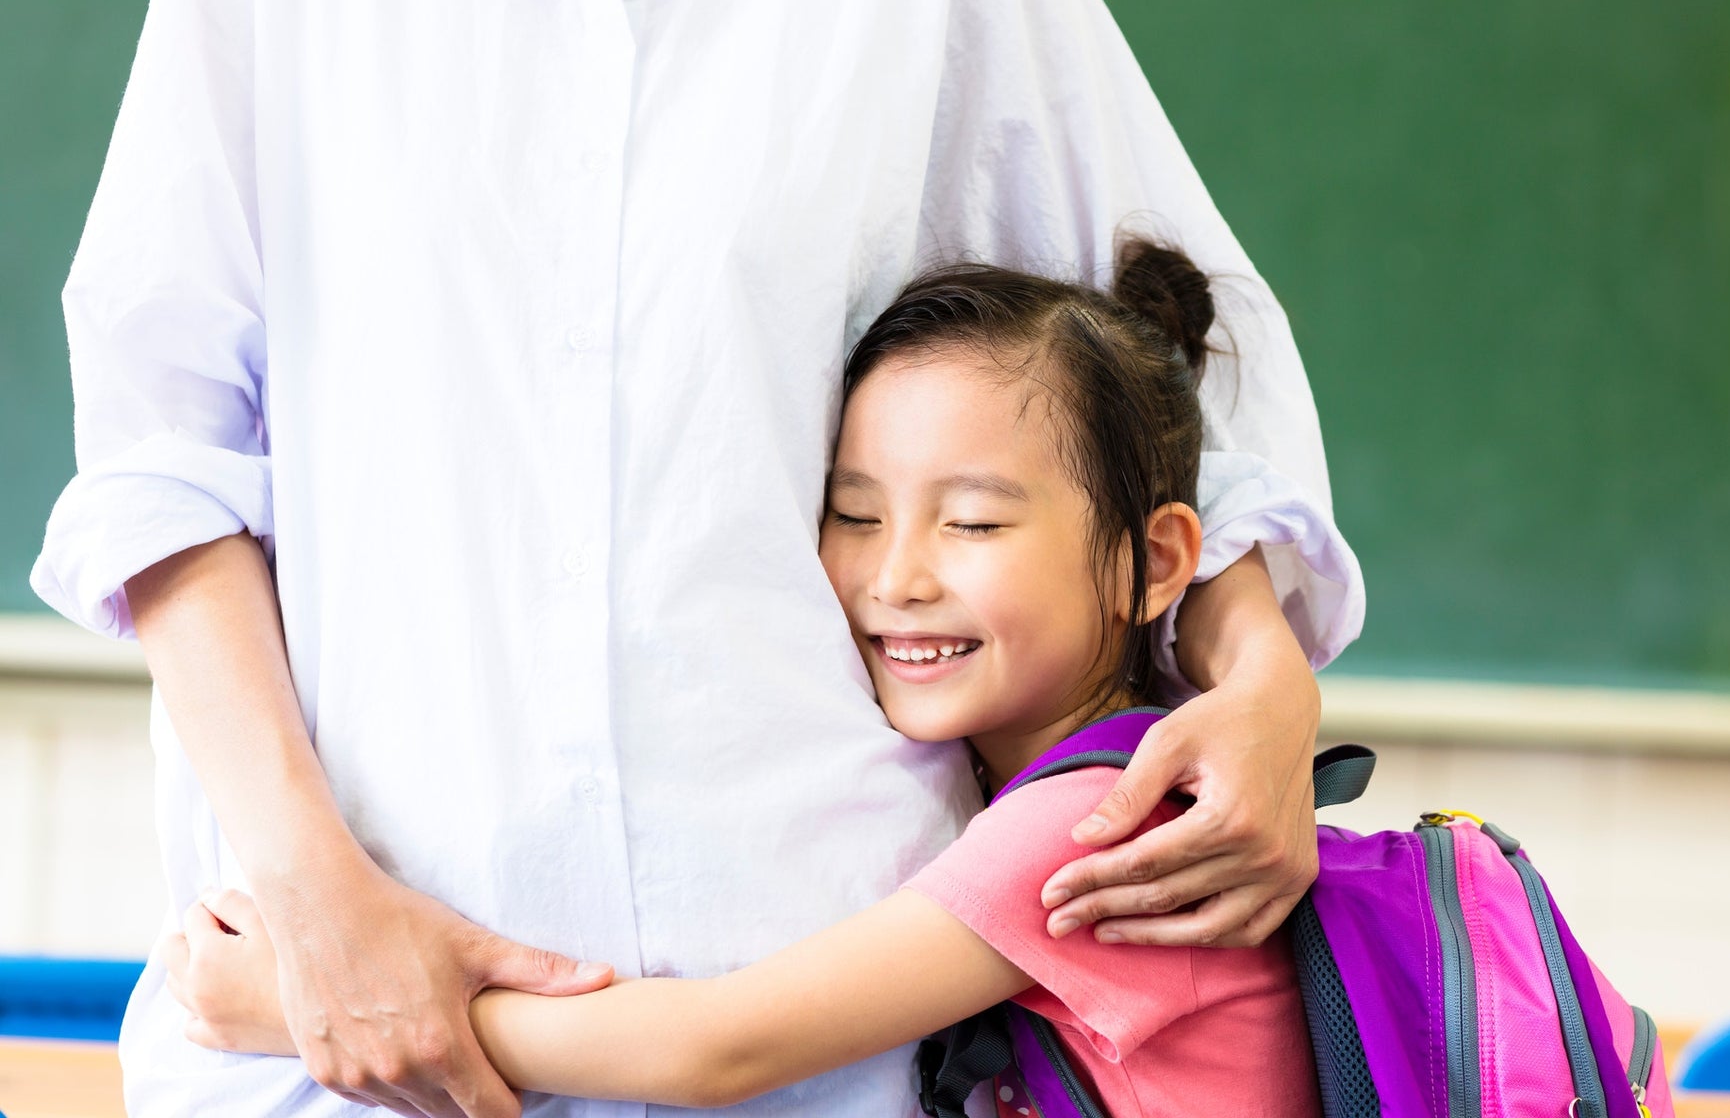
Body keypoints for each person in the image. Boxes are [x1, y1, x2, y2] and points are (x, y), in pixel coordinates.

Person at [32, 0, 1363, 1114]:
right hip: (327, 1013)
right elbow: (164, 455)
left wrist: (1262, 684)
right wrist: (316, 904)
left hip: (828, 1014)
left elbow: (1171, 367)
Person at [164, 241, 1321, 1118]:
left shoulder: (1096, 822)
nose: (894, 576)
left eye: (971, 523)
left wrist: (302, 1008)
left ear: (1154, 560)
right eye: (852, 514)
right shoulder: (1047, 788)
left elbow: (718, 1047)